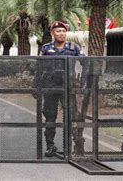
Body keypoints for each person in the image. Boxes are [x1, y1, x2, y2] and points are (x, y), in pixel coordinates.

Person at [34, 20, 82, 157]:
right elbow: (39, 68)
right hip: (50, 88)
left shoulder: (74, 48)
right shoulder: (46, 48)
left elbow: (86, 62)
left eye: (63, 31)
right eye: (58, 31)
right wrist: (36, 86)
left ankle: (73, 147)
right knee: (50, 118)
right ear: (52, 33)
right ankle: (50, 146)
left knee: (71, 117)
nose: (61, 33)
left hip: (68, 87)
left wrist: (83, 80)